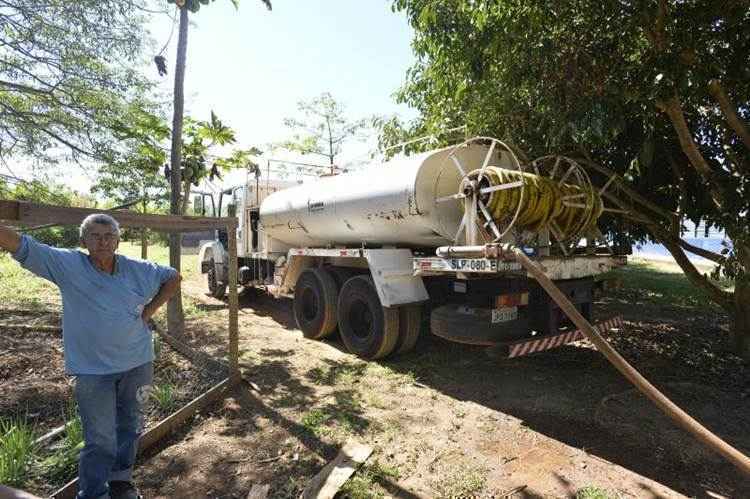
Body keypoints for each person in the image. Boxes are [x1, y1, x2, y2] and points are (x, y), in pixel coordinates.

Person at [0, 214, 181, 499]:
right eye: (95, 236)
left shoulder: (138, 269)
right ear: (83, 241)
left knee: (131, 427)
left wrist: (150, 310)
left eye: (109, 235)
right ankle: (95, 493)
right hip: (93, 372)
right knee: (100, 439)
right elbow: (22, 245)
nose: (103, 241)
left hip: (138, 364)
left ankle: (121, 482)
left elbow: (173, 277)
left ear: (118, 241)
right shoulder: (68, 265)